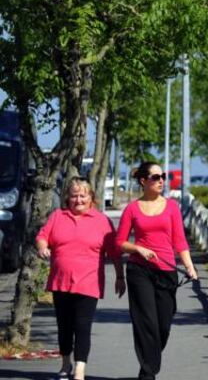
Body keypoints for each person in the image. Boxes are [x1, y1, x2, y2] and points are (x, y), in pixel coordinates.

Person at [36, 177, 125, 380]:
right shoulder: (58, 216)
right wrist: (42, 247)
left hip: (88, 283)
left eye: (83, 195)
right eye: (74, 195)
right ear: (67, 198)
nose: (78, 200)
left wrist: (120, 277)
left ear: (91, 197)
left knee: (83, 326)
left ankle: (80, 370)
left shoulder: (102, 221)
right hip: (61, 282)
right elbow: (42, 236)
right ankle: (65, 363)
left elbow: (114, 252)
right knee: (64, 326)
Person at [116, 162, 198, 380]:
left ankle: (148, 364)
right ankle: (148, 374)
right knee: (146, 322)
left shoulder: (171, 207)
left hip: (166, 271)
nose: (161, 180)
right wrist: (138, 249)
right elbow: (119, 242)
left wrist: (189, 266)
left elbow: (180, 240)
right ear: (143, 181)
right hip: (139, 270)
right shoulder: (132, 209)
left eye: (163, 176)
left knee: (163, 325)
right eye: (155, 177)